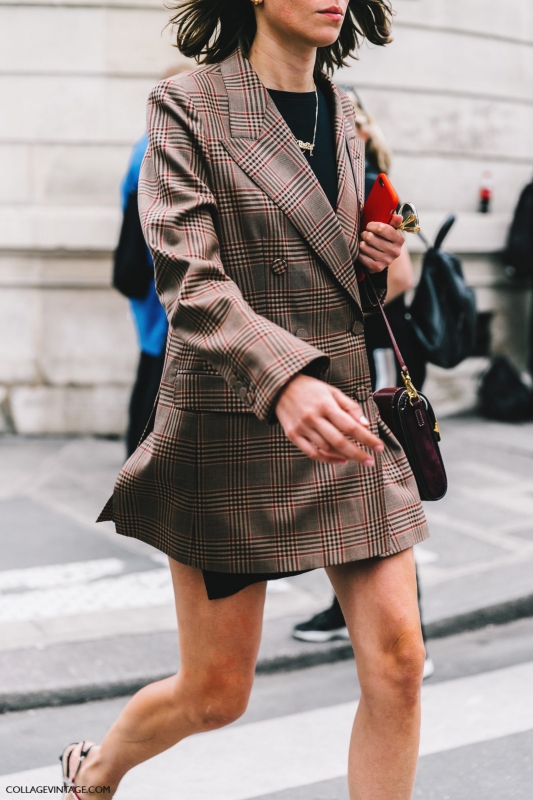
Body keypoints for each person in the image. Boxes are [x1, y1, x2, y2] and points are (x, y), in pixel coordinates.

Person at [60, 2, 429, 798]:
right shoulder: (186, 105)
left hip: (344, 421)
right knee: (215, 695)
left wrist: (373, 258)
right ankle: (94, 773)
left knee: (400, 663)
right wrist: (283, 380)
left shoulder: (343, 111)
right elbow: (188, 279)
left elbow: (335, 275)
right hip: (233, 423)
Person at [293, 90, 434, 679]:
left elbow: (402, 275)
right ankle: (351, 612)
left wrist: (341, 302)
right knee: (353, 491)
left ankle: (410, 636)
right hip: (356, 354)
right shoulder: (335, 180)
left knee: (378, 492)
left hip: (372, 354)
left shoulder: (372, 184)